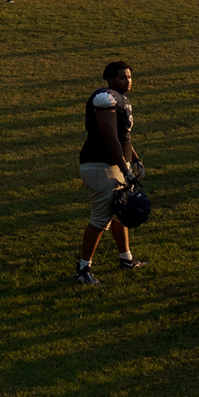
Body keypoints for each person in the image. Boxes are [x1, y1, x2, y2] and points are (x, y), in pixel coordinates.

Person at [75, 59, 145, 284]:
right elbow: (110, 138)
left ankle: (126, 259)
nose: (128, 80)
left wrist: (134, 158)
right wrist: (126, 171)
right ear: (111, 79)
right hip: (100, 167)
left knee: (120, 213)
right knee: (99, 220)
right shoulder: (106, 98)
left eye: (129, 76)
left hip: (112, 166)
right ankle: (83, 270)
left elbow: (123, 136)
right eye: (123, 77)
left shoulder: (119, 99)